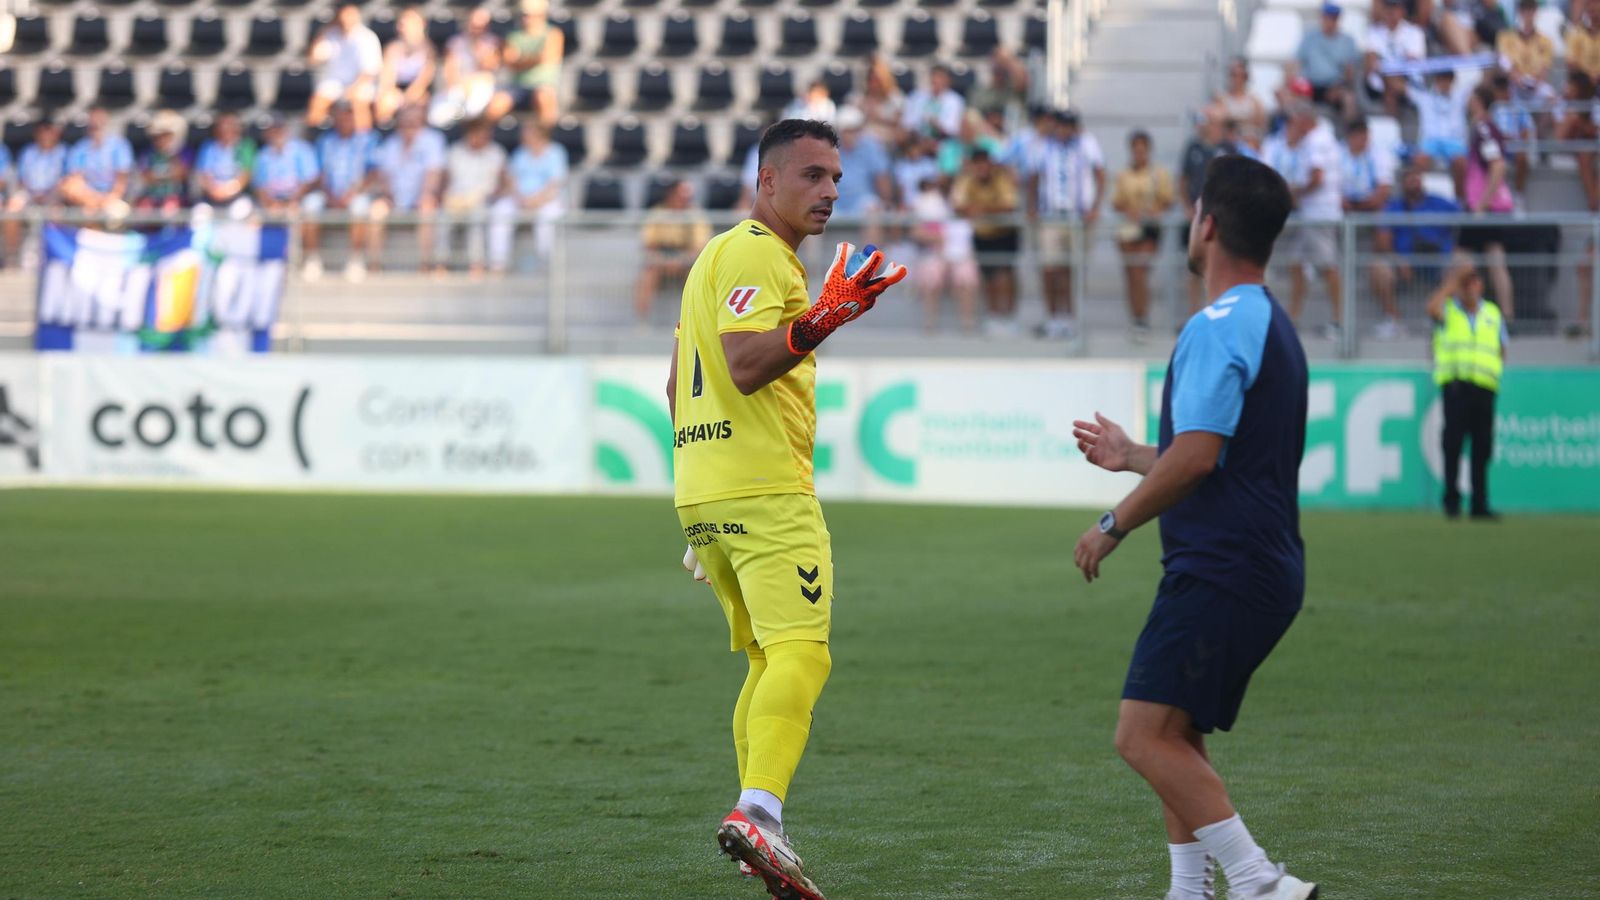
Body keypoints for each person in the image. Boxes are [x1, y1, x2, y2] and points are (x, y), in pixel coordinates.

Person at [668, 118, 906, 900]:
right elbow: (741, 366)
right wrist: (825, 318)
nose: (831, 190)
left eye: (836, 177)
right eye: (811, 175)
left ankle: (757, 829)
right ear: (766, 181)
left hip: (710, 493)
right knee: (805, 653)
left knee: (770, 660)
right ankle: (759, 811)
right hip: (765, 492)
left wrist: (704, 505)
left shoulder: (714, 258)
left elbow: (679, 386)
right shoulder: (754, 252)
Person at [1070, 153, 1317, 900]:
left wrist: (1114, 522)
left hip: (1223, 564)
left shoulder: (1217, 323)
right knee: (1177, 734)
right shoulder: (1269, 322)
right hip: (1258, 562)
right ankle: (1189, 890)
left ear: (1206, 225)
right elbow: (1210, 455)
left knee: (1141, 736)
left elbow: (1201, 460)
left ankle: (1258, 882)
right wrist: (1135, 456)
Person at [1427, 258, 1506, 520]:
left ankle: (1479, 504)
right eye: (1466, 282)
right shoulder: (1449, 310)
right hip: (1457, 387)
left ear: (1482, 284)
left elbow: (1502, 348)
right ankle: (1452, 502)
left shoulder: (1492, 314)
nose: (1470, 287)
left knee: (1482, 448)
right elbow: (1431, 307)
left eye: (1473, 281)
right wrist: (1452, 282)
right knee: (1453, 445)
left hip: (1484, 387)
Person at [1262, 102, 1344, 337]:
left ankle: (1339, 321)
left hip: (1318, 213)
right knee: (1296, 262)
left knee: (1327, 265)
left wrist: (1291, 193)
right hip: (1306, 214)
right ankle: (1293, 317)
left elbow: (1316, 178)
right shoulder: (1313, 139)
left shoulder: (1316, 141)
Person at [1028, 109, 1105, 340]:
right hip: (1051, 215)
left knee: (1072, 270)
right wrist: (1032, 206)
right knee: (1051, 269)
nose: (1062, 131)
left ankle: (1071, 318)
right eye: (1059, 126)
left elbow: (1100, 174)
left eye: (1067, 127)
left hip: (1077, 216)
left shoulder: (1086, 144)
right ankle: (1053, 318)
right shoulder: (1043, 146)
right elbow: (1032, 177)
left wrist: (1095, 207)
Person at [1371, 158, 1460, 330]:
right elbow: (1382, 242)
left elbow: (1467, 222)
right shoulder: (1393, 207)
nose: (1413, 182)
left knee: (1463, 263)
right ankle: (1393, 319)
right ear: (1402, 183)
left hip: (1439, 259)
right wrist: (1399, 260)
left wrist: (1456, 248)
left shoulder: (1439, 203)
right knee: (1378, 267)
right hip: (1404, 262)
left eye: (1416, 178)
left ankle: (1440, 310)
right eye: (1409, 179)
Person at [304, 100, 379, 282]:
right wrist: (330, 195)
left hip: (357, 193)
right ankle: (312, 259)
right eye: (339, 116)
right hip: (329, 193)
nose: (343, 120)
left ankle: (355, 259)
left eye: (347, 115)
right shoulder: (325, 142)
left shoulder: (367, 140)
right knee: (309, 206)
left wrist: (352, 194)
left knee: (359, 208)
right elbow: (319, 173)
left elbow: (372, 172)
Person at [951, 147, 1022, 337]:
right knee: (989, 277)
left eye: (985, 162)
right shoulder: (967, 179)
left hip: (1004, 233)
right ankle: (994, 316)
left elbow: (1009, 205)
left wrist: (982, 210)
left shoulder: (1001, 177)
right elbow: (958, 204)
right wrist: (981, 210)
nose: (982, 167)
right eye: (978, 163)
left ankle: (1009, 316)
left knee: (1005, 275)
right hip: (983, 235)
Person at [1111, 130, 1175, 340]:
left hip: (1149, 229)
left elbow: (1167, 199)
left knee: (1140, 270)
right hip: (1129, 230)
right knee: (1131, 274)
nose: (1139, 154)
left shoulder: (1158, 174)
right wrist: (1130, 211)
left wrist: (1154, 211)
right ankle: (1136, 316)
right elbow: (1117, 201)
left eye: (1142, 150)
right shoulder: (1124, 174)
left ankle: (1143, 317)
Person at [367, 104, 446, 273]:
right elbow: (384, 175)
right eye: (406, 121)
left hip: (420, 196)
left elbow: (433, 173)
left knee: (427, 206)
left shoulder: (432, 140)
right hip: (394, 198)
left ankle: (424, 265)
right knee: (376, 210)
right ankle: (374, 265)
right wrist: (388, 195)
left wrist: (423, 195)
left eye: (414, 121)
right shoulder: (391, 143)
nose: (409, 125)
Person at [1460, 85, 1516, 319]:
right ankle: (1507, 315)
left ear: (1477, 101)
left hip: (1484, 209)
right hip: (1486, 208)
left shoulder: (1483, 127)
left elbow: (1498, 165)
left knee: (1461, 259)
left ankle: (1460, 311)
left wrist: (1482, 205)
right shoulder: (1485, 128)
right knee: (1494, 261)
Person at [489, 119, 567, 274]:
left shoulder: (555, 152)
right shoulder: (520, 153)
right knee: (499, 211)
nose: (523, 136)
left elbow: (555, 183)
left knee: (548, 217)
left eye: (528, 132)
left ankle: (546, 263)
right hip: (521, 200)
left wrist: (536, 200)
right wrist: (520, 198)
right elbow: (512, 180)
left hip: (546, 200)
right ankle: (498, 262)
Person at [1179, 107, 1235, 315]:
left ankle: (1218, 310)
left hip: (1220, 218)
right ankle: (1194, 312)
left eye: (1208, 121)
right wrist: (1187, 207)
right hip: (1197, 218)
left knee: (1220, 264)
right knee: (1194, 266)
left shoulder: (1228, 147)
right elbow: (1183, 180)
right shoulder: (1192, 147)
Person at [434, 118, 506, 279]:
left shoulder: (496, 153)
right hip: (455, 199)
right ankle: (440, 263)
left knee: (477, 217)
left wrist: (486, 195)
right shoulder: (455, 151)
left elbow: (502, 184)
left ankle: (476, 264)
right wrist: (446, 196)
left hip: (482, 199)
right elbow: (445, 181)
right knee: (441, 219)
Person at [633, 179, 712, 324]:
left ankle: (697, 322)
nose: (684, 199)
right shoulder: (657, 213)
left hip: (686, 260)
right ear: (672, 194)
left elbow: (699, 246)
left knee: (697, 278)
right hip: (661, 259)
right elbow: (649, 243)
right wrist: (664, 261)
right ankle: (641, 324)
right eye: (681, 195)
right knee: (648, 275)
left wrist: (680, 260)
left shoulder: (695, 215)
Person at [909, 176, 979, 332]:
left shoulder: (967, 202)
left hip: (961, 255)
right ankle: (930, 322)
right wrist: (935, 238)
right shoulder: (927, 202)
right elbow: (916, 232)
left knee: (966, 276)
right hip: (935, 253)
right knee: (931, 275)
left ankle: (968, 323)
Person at [431, 6, 513, 128]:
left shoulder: (494, 43)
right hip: (458, 86)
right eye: (474, 25)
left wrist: (478, 49)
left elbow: (489, 69)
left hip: (483, 87)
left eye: (481, 25)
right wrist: (459, 86)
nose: (477, 29)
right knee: (436, 117)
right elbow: (450, 71)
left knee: (473, 109)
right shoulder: (455, 43)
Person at [308, 4, 383, 131]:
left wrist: (352, 90)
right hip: (336, 83)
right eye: (344, 14)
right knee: (318, 102)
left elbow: (370, 72)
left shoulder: (367, 37)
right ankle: (312, 139)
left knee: (359, 102)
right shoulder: (331, 34)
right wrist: (324, 30)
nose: (347, 18)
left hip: (361, 84)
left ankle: (363, 139)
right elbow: (314, 58)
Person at [4, 119, 67, 267]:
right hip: (30, 194)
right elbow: (22, 180)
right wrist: (33, 194)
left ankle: (56, 259)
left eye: (49, 131)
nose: (46, 136)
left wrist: (48, 196)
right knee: (12, 208)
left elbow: (66, 181)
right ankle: (11, 257)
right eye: (42, 132)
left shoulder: (63, 152)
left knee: (59, 212)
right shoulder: (28, 152)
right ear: (37, 134)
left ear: (55, 134)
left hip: (54, 196)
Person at [60, 106, 133, 217]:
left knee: (113, 211)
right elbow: (75, 178)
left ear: (106, 122)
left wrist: (109, 198)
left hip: (113, 197)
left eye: (100, 121)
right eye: (93, 122)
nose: (96, 125)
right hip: (88, 197)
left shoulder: (119, 145)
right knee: (67, 186)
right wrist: (93, 199)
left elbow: (122, 180)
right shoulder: (80, 147)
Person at [1410, 69, 1471, 198]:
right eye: (1441, 79)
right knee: (1419, 162)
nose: (1444, 83)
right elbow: (1399, 87)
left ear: (1453, 81)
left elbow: (1484, 81)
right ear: (1436, 80)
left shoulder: (1461, 96)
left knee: (1462, 164)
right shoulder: (1424, 96)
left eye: (1448, 80)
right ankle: (1419, 201)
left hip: (1454, 142)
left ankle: (1459, 201)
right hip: (1430, 142)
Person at [504, 0, 565, 127]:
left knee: (543, 98)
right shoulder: (513, 35)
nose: (525, 18)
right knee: (497, 103)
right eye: (523, 14)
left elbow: (547, 57)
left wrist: (521, 60)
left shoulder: (553, 34)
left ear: (541, 15)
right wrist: (535, 59)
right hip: (518, 86)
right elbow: (510, 62)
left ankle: (546, 138)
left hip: (544, 86)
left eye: (529, 14)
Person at [1296, 4, 1361, 121]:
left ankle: (1350, 134)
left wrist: (1340, 86)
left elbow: (1350, 73)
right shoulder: (1310, 38)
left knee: (1348, 99)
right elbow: (1296, 62)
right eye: (1326, 17)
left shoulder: (1347, 41)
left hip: (1334, 87)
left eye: (1333, 18)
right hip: (1311, 86)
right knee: (1288, 95)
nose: (1329, 21)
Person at [374, 8, 437, 128]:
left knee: (420, 104)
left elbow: (423, 81)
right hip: (396, 91)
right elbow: (387, 79)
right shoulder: (392, 48)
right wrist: (393, 95)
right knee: (383, 103)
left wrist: (407, 98)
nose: (404, 28)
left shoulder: (429, 50)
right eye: (402, 24)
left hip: (418, 92)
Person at [1365, 0, 1427, 116]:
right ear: (1383, 10)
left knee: (1392, 83)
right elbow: (1371, 62)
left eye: (1395, 8)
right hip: (1381, 80)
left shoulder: (1414, 32)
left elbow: (1412, 64)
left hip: (1407, 80)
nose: (1391, 12)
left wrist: (1389, 68)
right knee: (1388, 81)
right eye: (1388, 8)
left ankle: (1392, 120)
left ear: (1402, 10)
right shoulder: (1374, 31)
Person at [252, 116, 319, 221]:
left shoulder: (301, 149)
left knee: (304, 209)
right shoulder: (263, 155)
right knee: (255, 216)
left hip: (298, 199)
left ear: (284, 130)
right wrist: (271, 203)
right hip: (272, 201)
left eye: (277, 130)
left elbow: (310, 180)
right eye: (270, 131)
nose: (274, 134)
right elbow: (259, 185)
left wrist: (292, 201)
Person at [1553, 71, 1600, 213]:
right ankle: (1594, 205)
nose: (1568, 89)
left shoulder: (1594, 105)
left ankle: (1594, 204)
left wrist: (1583, 125)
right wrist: (1572, 119)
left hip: (1592, 145)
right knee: (1584, 155)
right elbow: (1558, 138)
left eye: (1572, 86)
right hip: (1570, 146)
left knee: (1586, 155)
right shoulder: (1561, 104)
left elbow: (1596, 131)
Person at [193, 111, 256, 210]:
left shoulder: (245, 146)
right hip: (211, 195)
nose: (225, 129)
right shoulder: (208, 146)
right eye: (222, 125)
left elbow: (246, 175)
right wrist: (214, 191)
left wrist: (228, 191)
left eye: (230, 125)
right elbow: (203, 174)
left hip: (237, 196)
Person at [133, 110, 191, 216]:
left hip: (174, 195)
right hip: (151, 194)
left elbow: (180, 174)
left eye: (166, 135)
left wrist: (170, 154)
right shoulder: (148, 153)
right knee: (144, 208)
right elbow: (147, 177)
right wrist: (166, 174)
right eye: (158, 136)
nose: (161, 140)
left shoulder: (182, 152)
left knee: (170, 207)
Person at [901, 64, 965, 140]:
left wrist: (934, 124)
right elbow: (908, 123)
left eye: (940, 77)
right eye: (934, 76)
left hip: (942, 142)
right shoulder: (917, 96)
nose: (936, 80)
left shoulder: (955, 101)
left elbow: (951, 129)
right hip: (917, 139)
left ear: (948, 80)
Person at [1214, 57, 1268, 139]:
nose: (1236, 79)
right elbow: (1220, 120)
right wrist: (1247, 119)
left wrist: (1232, 118)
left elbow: (1261, 121)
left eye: (1240, 75)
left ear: (1246, 77)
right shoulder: (1221, 98)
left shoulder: (1254, 100)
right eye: (1233, 75)